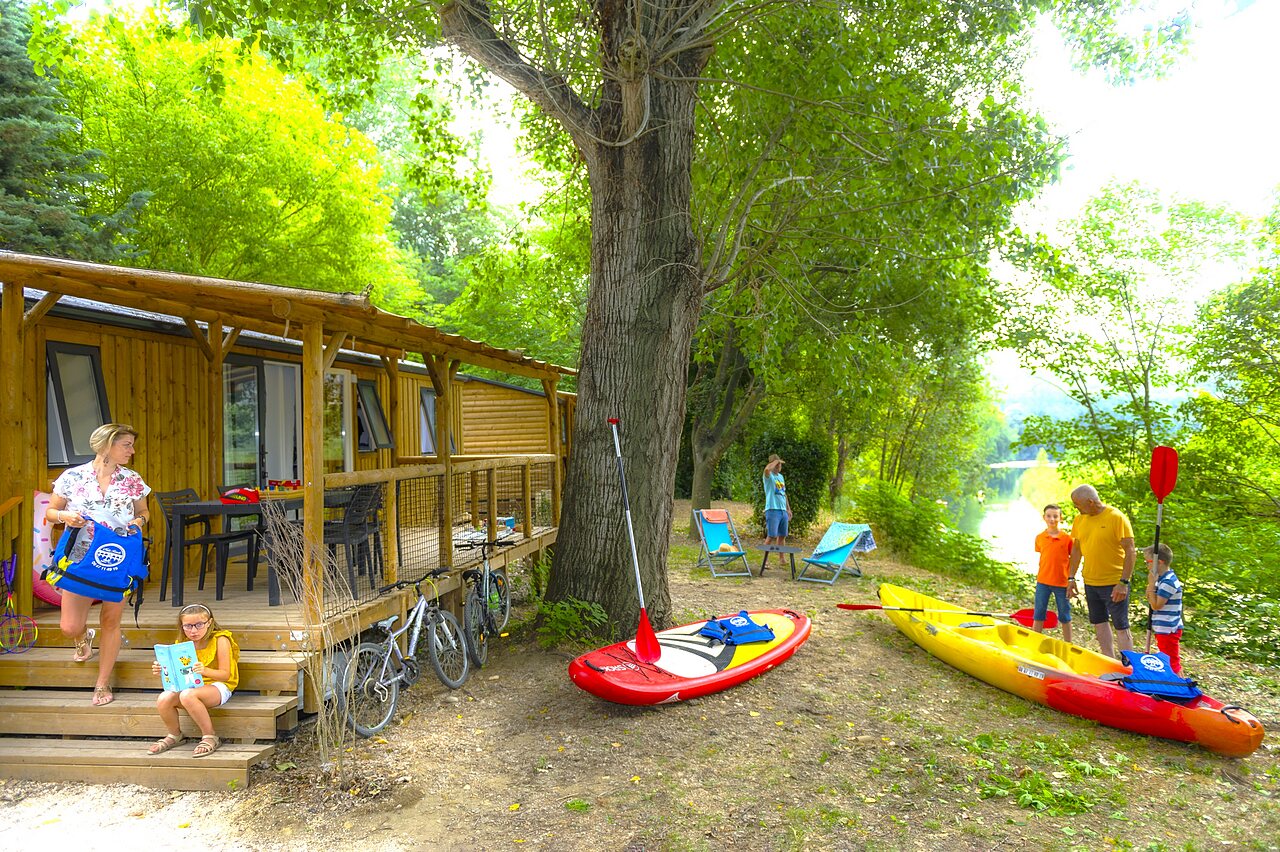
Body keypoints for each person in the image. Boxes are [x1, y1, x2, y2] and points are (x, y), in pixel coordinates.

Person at [45, 423, 151, 706]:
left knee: (111, 620)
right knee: (69, 626)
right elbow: (51, 511)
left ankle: (102, 684)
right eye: (126, 445)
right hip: (79, 556)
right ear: (106, 445)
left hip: (117, 556)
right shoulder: (73, 476)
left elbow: (143, 511)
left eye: (131, 444)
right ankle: (83, 637)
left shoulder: (132, 479)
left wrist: (138, 522)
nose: (132, 450)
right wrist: (65, 516)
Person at [148, 603, 240, 758]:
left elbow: (226, 675)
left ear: (209, 622)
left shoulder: (220, 639)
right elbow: (179, 675)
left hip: (218, 686)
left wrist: (205, 670)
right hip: (191, 685)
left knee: (187, 695)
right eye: (188, 626)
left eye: (199, 625)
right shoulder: (182, 643)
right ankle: (174, 735)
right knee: (164, 698)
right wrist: (163, 670)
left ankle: (210, 736)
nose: (193, 630)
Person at [1067, 484, 1136, 659]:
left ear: (1090, 502)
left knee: (1121, 625)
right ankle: (1109, 660)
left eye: (1078, 504)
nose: (1076, 507)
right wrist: (1070, 578)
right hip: (1091, 581)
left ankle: (1128, 666)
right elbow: (1076, 550)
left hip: (1114, 582)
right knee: (1099, 622)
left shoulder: (1116, 517)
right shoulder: (1080, 520)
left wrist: (1124, 582)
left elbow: (1130, 551)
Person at [1032, 504, 1075, 643]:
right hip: (1043, 582)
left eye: (1055, 516)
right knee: (1039, 613)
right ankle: (1034, 640)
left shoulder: (1067, 539)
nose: (1052, 519)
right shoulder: (1040, 537)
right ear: (1044, 517)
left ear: (1060, 518)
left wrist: (1071, 580)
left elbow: (1073, 559)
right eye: (1049, 516)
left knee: (1064, 614)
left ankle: (1068, 644)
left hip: (1061, 583)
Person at [1144, 542, 1185, 674]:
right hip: (1163, 627)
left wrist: (1151, 585)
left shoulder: (1168, 582)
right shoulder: (1161, 579)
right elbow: (1149, 597)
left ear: (1159, 562)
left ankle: (1179, 686)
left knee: (1171, 661)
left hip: (1168, 629)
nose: (1147, 566)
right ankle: (1174, 682)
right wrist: (1151, 586)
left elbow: (1156, 605)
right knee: (1167, 658)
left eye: (1148, 562)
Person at [760, 454, 791, 571]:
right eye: (777, 464)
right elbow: (767, 469)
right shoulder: (768, 477)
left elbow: (784, 494)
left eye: (780, 464)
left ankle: (782, 558)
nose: (779, 466)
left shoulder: (781, 477)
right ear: (772, 464)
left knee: (782, 535)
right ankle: (765, 560)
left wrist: (788, 509)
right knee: (771, 535)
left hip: (782, 510)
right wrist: (773, 464)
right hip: (772, 510)